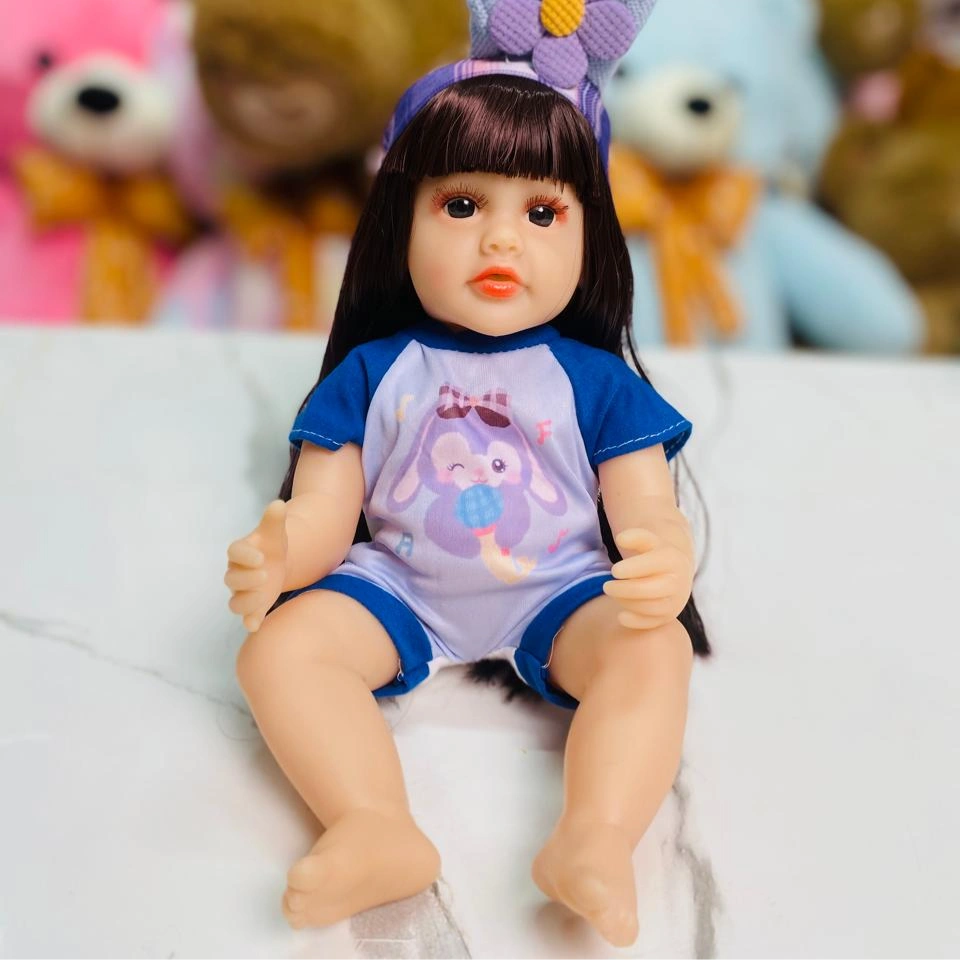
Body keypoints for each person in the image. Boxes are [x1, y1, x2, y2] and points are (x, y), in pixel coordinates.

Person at [225, 1, 709, 947]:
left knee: (652, 651)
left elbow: (646, 507)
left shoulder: (595, 381)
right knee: (278, 652)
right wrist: (281, 553)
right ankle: (372, 824)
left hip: (560, 588)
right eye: (461, 206)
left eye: (542, 213)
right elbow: (325, 507)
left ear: (590, 233)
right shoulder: (375, 372)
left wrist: (663, 558)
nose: (501, 242)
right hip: (397, 586)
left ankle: (599, 835)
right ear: (399, 224)